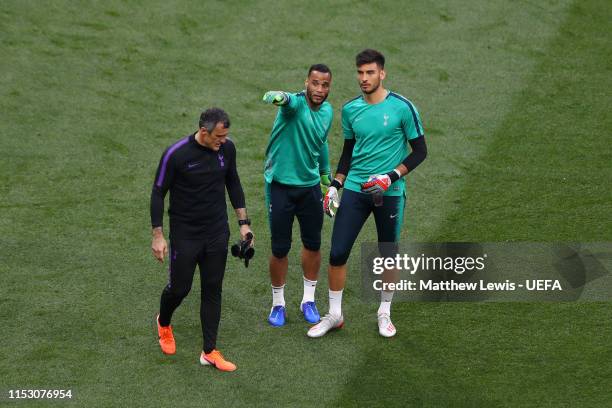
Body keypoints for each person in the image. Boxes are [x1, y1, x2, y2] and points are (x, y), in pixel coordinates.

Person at [307, 49, 427, 338]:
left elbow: (420, 151)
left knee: (388, 253)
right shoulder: (350, 110)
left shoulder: (402, 107)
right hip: (355, 190)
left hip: (390, 192)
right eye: (360, 73)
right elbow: (348, 152)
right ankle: (335, 314)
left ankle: (384, 311)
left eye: (370, 72)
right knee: (338, 251)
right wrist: (336, 185)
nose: (364, 78)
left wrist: (390, 176)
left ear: (382, 73)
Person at [150, 108, 253, 372]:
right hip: (186, 235)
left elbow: (234, 184)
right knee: (179, 289)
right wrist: (158, 235)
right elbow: (158, 192)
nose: (223, 141)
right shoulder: (176, 155)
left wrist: (244, 225)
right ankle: (164, 322)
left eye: (226, 136)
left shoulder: (227, 150)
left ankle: (209, 351)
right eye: (219, 136)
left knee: (212, 289)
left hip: (217, 233)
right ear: (204, 132)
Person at [261, 64, 334, 327]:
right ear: (306, 82)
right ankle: (278, 304)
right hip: (280, 186)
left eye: (325, 85)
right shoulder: (294, 105)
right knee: (280, 248)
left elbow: (321, 142)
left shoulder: (327, 112)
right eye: (315, 83)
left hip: (310, 188)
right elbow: (285, 100)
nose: (319, 89)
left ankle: (308, 300)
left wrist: (326, 177)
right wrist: (277, 97)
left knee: (313, 244)